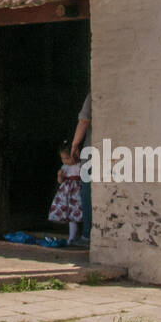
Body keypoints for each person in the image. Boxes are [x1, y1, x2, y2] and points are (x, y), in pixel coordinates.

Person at [47, 142, 83, 243]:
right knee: (70, 216)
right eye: (63, 158)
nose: (65, 161)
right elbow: (60, 181)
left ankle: (78, 236)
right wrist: (60, 176)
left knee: (76, 213)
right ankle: (72, 237)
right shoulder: (64, 167)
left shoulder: (80, 165)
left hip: (76, 193)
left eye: (67, 158)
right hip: (66, 194)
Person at [70, 93, 93, 248]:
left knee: (88, 193)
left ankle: (87, 235)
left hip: (92, 151)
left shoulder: (93, 95)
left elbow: (84, 120)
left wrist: (74, 145)